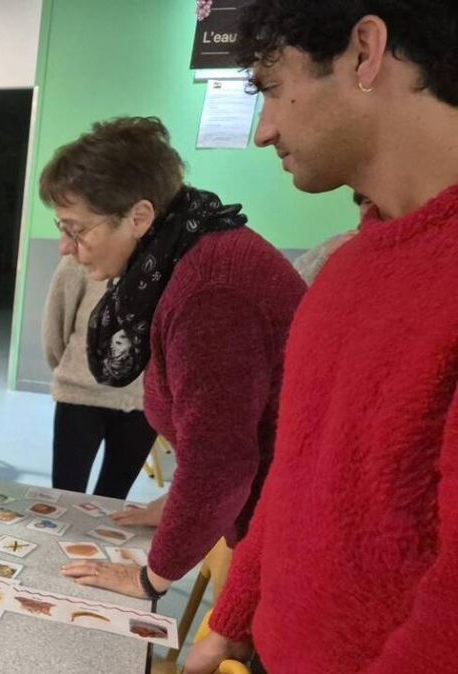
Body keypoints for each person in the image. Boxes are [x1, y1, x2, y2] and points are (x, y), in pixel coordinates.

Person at [187, 2, 458, 671]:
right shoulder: (345, 269)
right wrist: (233, 620)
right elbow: (299, 473)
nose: (263, 130)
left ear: (365, 51)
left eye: (271, 88)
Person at [43, 118, 306, 604]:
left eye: (76, 230)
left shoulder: (209, 290)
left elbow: (220, 457)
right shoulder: (181, 252)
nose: (65, 247)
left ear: (139, 216)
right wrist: (177, 504)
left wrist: (151, 577)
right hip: (260, 504)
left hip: (284, 521)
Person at [43, 255, 155, 499]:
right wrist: (78, 370)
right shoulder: (79, 260)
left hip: (141, 403)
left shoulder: (172, 261)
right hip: (80, 397)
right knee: (65, 500)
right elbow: (55, 331)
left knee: (112, 501)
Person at [291, 191, 371, 283]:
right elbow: (297, 275)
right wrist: (325, 256)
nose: (373, 209)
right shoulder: (340, 240)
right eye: (367, 202)